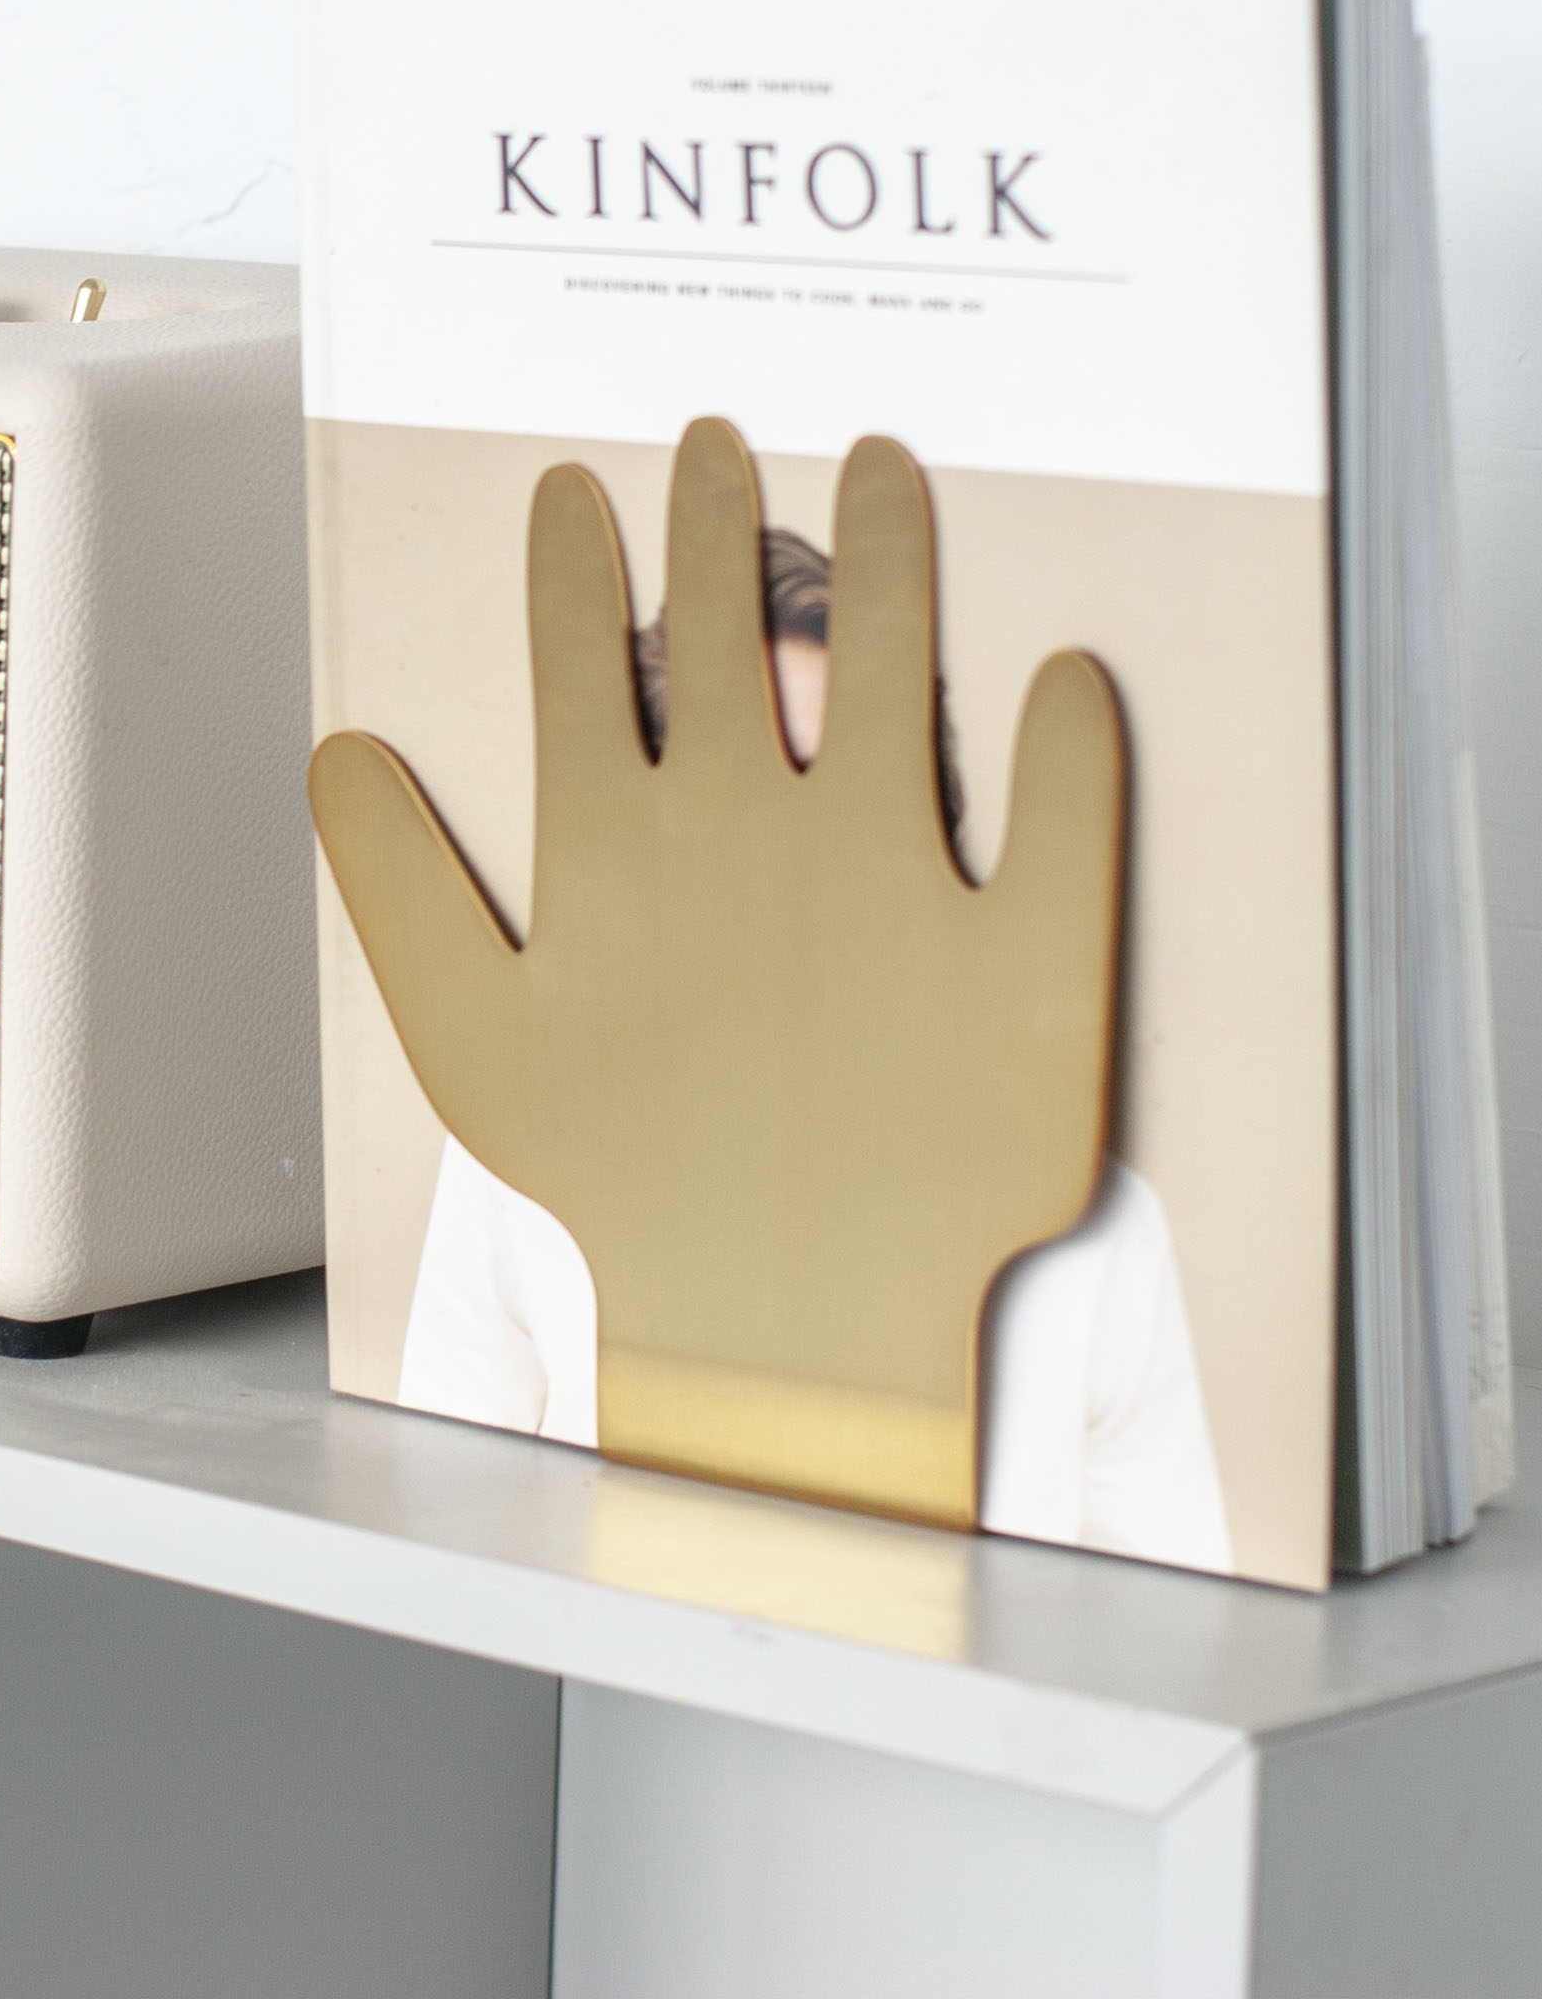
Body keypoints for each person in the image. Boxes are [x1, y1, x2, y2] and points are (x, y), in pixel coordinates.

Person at [393, 527, 1236, 1575]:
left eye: (850, 789)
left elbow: (1166, 1630)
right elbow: (443, 1545)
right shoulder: (515, 1151)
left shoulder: (1088, 1228)